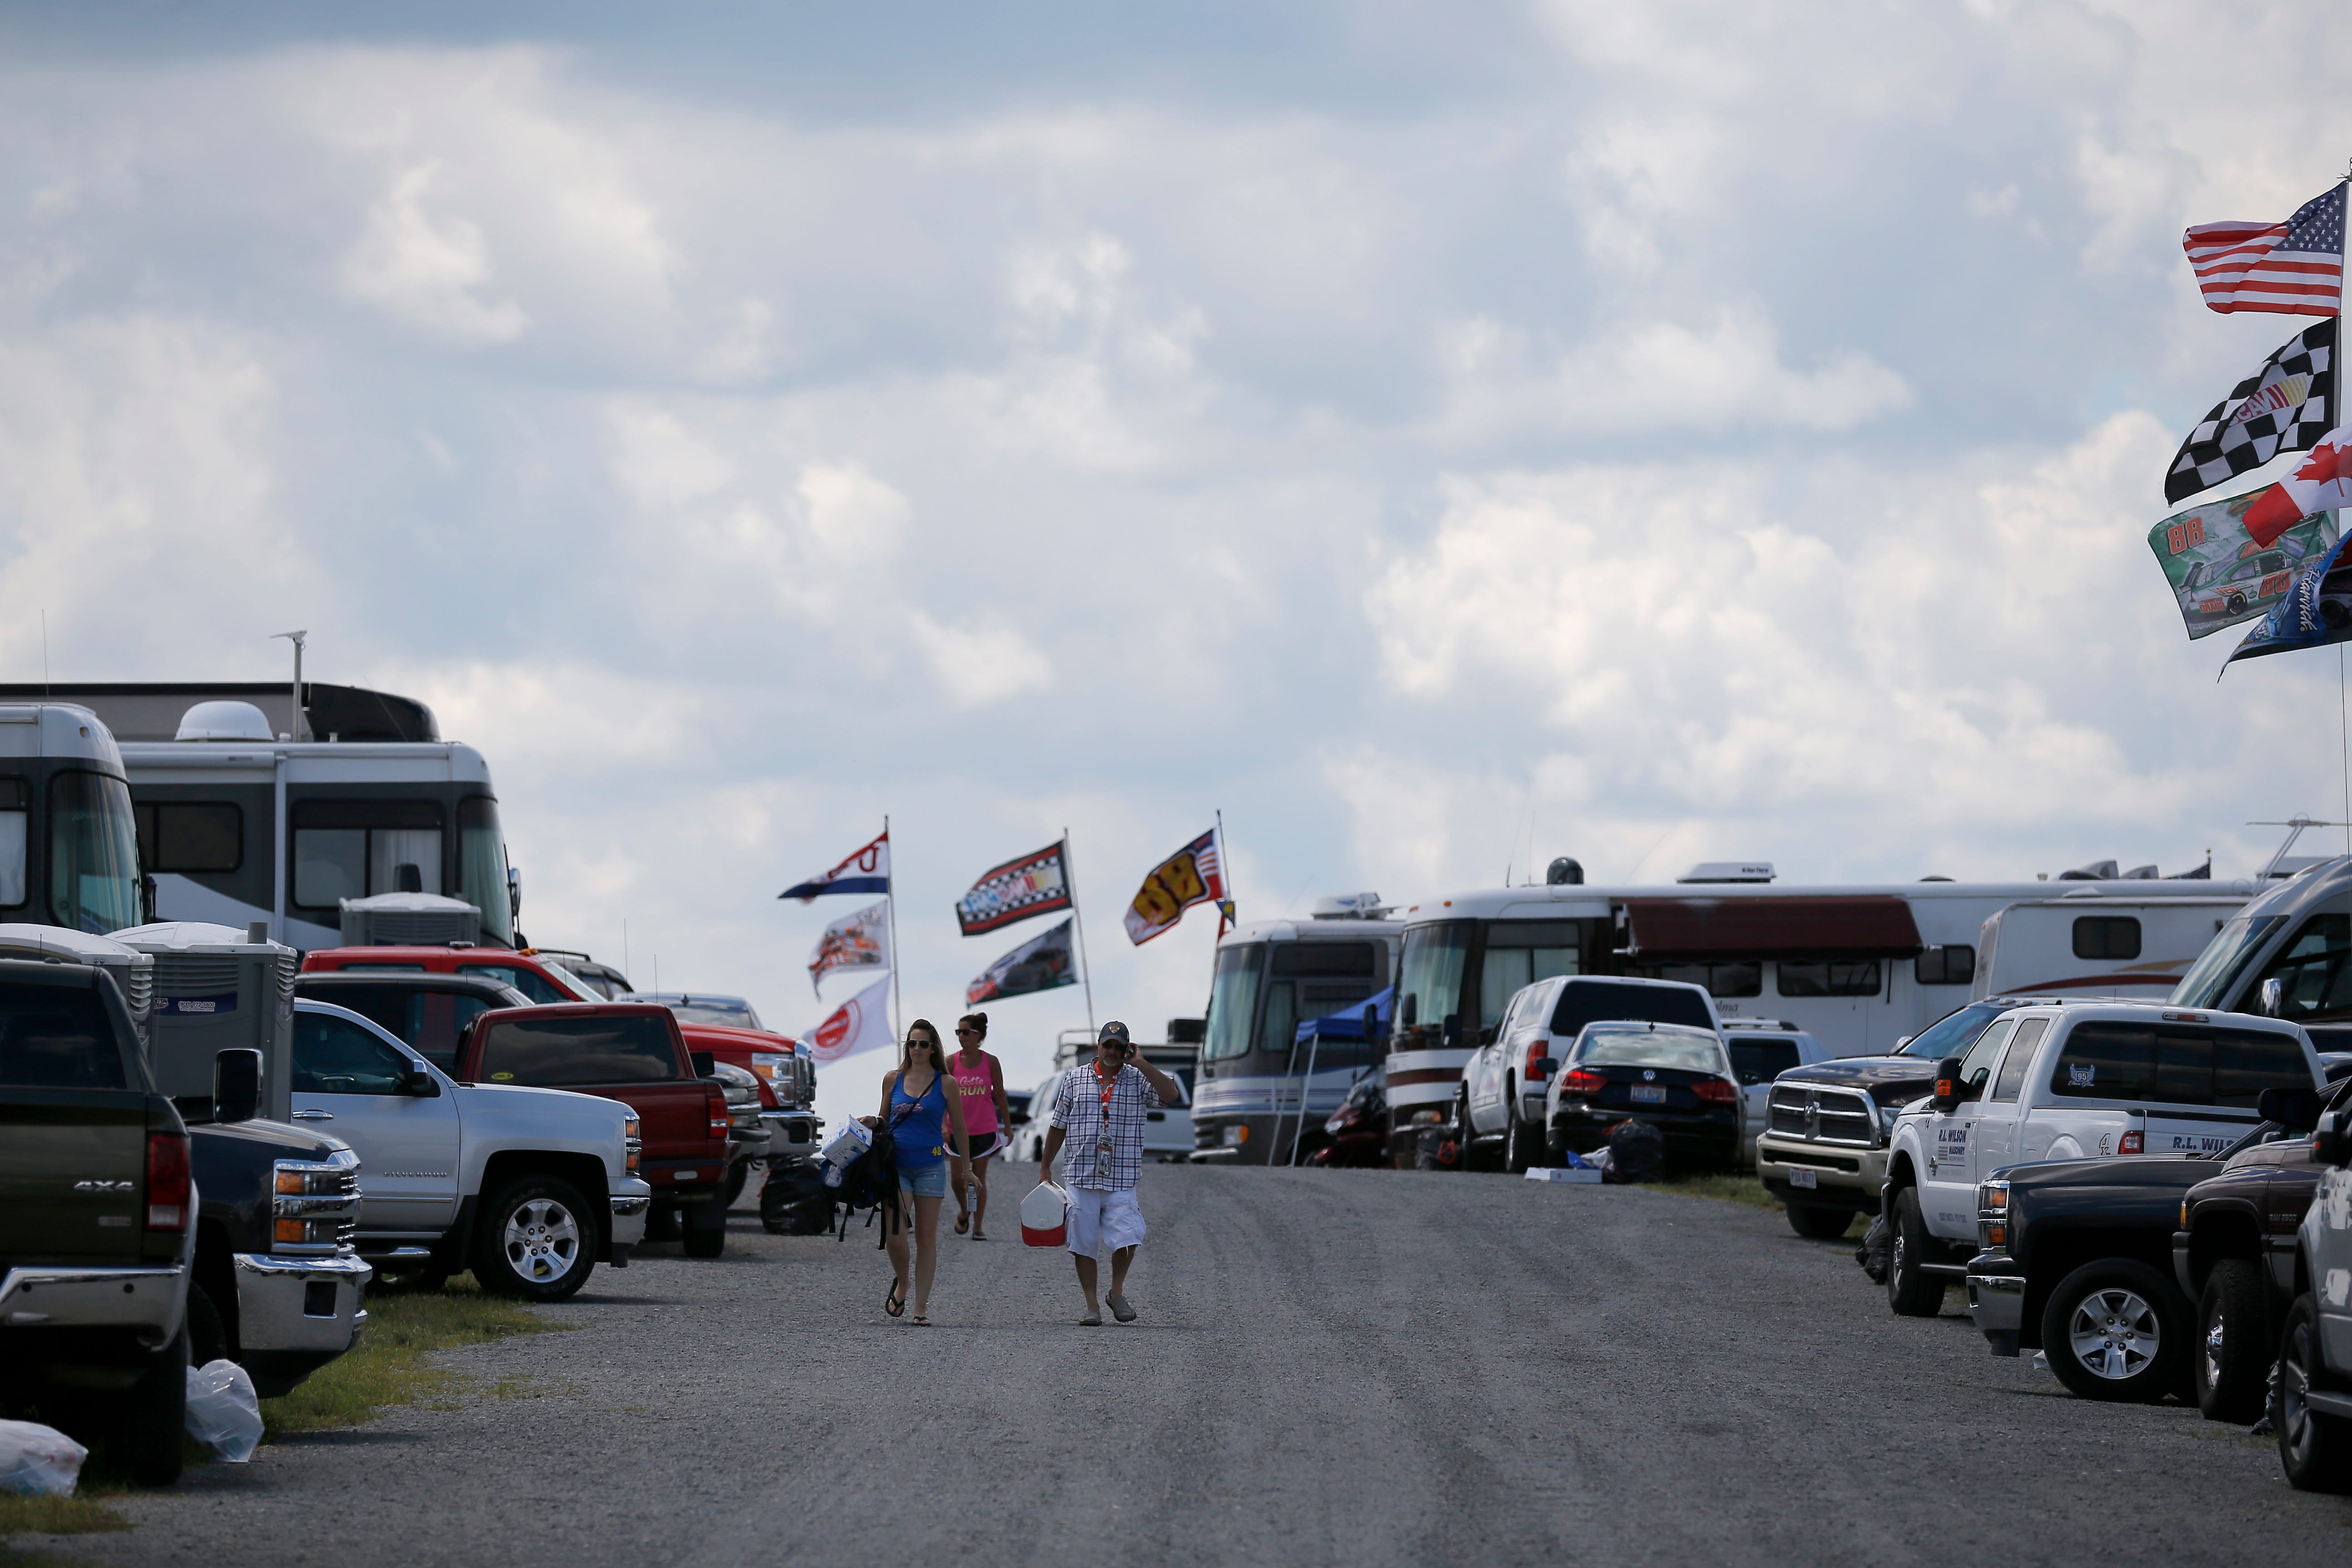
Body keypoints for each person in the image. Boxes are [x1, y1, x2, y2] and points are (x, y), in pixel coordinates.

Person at [1037, 1020, 1182, 1326]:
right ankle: (1092, 1306)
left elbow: (1171, 1095)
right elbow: (1058, 1125)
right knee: (1083, 1241)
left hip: (1122, 1176)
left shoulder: (1138, 1079)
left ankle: (1116, 1291)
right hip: (1081, 1174)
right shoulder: (1074, 1079)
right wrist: (1046, 1165)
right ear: (1098, 1046)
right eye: (1108, 1045)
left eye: (1120, 1047)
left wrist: (1141, 1063)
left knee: (1128, 1236)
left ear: (1127, 1049)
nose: (1113, 1052)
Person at [861, 1019, 970, 1324]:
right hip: (896, 1166)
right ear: (906, 1046)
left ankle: (920, 1309)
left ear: (933, 1047)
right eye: (912, 1043)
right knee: (895, 1234)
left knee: (926, 1237)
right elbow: (884, 1118)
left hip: (931, 1166)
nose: (917, 1049)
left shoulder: (946, 1083)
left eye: (923, 1044)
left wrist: (968, 1169)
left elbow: (960, 1128)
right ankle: (903, 1281)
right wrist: (871, 1121)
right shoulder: (893, 1079)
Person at [947, 1011, 1011, 1240]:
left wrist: (1008, 1127)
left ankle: (978, 1226)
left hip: (983, 1128)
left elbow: (1000, 1095)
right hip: (955, 1129)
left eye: (966, 1032)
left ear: (979, 1035)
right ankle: (965, 1210)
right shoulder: (951, 1062)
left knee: (978, 1179)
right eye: (959, 1032)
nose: (961, 1037)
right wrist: (942, 1125)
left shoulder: (990, 1062)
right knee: (957, 1179)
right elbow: (941, 1094)